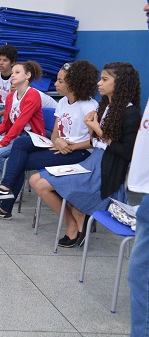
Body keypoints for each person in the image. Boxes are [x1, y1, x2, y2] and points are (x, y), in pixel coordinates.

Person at [77, 0, 149, 337]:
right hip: (120, 174)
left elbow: (115, 146)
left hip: (118, 178)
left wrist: (96, 134)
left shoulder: (127, 108)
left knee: (142, 276)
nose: (144, 6)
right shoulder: (107, 106)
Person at [30, 62, 141, 246]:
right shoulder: (106, 107)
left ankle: (73, 225)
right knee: (34, 180)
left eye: (105, 79)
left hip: (106, 172)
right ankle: (76, 219)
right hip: (93, 162)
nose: (99, 83)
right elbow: (95, 141)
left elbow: (128, 153)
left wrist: (97, 128)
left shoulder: (130, 113)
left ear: (120, 83)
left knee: (41, 184)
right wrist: (91, 130)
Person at [0, 60, 99, 220]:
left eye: (60, 81)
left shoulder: (89, 106)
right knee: (19, 158)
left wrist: (72, 146)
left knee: (18, 155)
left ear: (74, 84)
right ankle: (4, 203)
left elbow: (96, 141)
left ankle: (4, 194)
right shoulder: (63, 102)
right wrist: (57, 141)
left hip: (80, 153)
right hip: (60, 147)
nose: (55, 83)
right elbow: (56, 134)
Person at [0, 61, 45, 182]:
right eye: (12, 73)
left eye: (17, 72)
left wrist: (3, 142)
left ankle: (11, 184)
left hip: (31, 137)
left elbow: (20, 123)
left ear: (28, 75)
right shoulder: (10, 97)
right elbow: (7, 123)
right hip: (15, 135)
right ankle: (7, 181)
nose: (12, 75)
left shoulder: (33, 95)